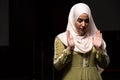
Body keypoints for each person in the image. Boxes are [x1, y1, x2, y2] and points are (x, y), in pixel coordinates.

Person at [53, 3, 110, 80]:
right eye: (79, 20)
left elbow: (104, 64)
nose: (83, 25)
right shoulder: (63, 38)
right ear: (73, 19)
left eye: (86, 21)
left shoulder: (96, 38)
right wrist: (69, 48)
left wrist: (98, 49)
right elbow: (57, 66)